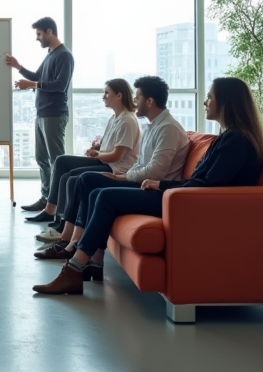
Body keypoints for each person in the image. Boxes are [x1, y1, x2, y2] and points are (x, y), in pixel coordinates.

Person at [33, 76, 263, 293]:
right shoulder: (229, 137)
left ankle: (74, 268)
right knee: (97, 192)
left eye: (210, 97)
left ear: (227, 103)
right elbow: (202, 182)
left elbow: (207, 186)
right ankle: (90, 263)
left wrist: (161, 185)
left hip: (185, 203)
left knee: (103, 196)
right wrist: (158, 184)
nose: (206, 102)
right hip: (181, 197)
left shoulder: (235, 141)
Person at [35, 75, 189, 260]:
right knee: (86, 180)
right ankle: (70, 242)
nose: (134, 101)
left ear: (149, 101)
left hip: (155, 190)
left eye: (137, 97)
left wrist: (124, 177)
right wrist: (123, 173)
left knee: (89, 184)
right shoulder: (152, 126)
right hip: (140, 181)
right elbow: (141, 163)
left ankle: (73, 246)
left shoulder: (167, 128)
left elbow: (155, 172)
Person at [26, 79, 140, 243]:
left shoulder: (127, 121)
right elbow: (111, 144)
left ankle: (61, 225)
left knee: (69, 178)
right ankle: (51, 209)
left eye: (107, 92)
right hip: (106, 162)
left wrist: (96, 154)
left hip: (114, 167)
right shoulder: (115, 118)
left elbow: (117, 156)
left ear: (119, 95)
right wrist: (99, 146)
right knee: (62, 161)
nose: (103, 96)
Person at [6, 17, 74, 213]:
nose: (37, 39)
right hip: (42, 113)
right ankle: (46, 198)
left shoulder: (64, 55)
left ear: (49, 32)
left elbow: (60, 85)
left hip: (54, 114)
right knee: (41, 158)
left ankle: (59, 202)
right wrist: (18, 67)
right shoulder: (50, 54)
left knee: (56, 161)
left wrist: (33, 85)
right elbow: (37, 77)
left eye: (39, 34)